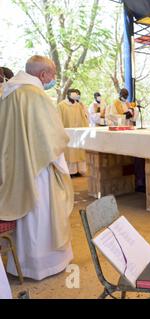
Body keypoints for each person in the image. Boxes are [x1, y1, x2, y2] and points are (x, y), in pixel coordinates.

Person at [0, 55, 74, 281]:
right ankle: (46, 265)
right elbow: (52, 140)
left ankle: (25, 264)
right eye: (52, 75)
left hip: (16, 167)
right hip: (39, 167)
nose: (53, 79)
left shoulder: (8, 93)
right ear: (43, 75)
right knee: (43, 214)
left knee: (29, 218)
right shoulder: (36, 96)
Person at [57, 88, 89, 176]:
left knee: (79, 152)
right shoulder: (61, 105)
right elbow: (58, 119)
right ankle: (71, 171)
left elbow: (84, 118)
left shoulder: (78, 105)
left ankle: (79, 170)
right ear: (68, 95)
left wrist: (85, 130)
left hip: (78, 134)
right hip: (68, 133)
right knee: (70, 153)